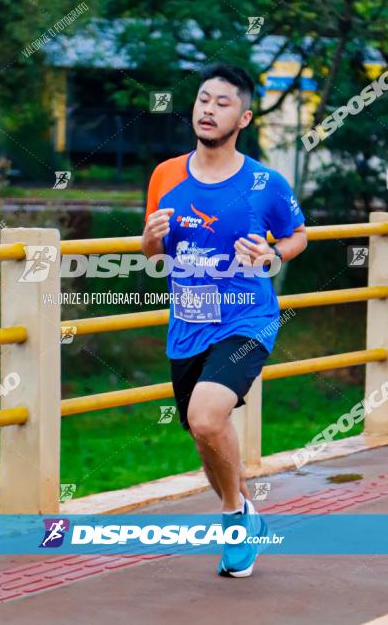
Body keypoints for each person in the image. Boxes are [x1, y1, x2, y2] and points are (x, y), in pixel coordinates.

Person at [141, 63, 307, 577]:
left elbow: (298, 235)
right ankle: (244, 511)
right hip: (188, 327)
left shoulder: (265, 182)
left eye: (222, 102)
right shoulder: (165, 175)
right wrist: (150, 240)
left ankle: (234, 518)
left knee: (207, 416)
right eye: (203, 99)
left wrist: (272, 255)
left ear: (245, 116)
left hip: (248, 320)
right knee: (204, 437)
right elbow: (151, 257)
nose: (208, 109)